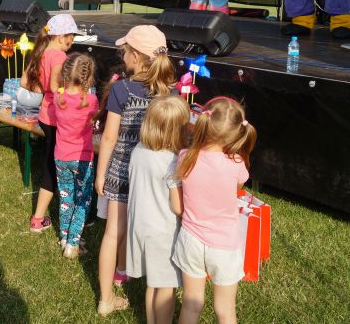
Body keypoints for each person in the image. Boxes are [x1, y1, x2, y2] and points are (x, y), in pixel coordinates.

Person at [94, 25, 176, 317]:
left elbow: (109, 138)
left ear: (137, 56)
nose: (123, 55)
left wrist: (101, 173)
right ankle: (151, 280)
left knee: (112, 234)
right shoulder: (171, 93)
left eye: (125, 51)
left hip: (122, 171)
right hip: (156, 177)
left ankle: (106, 299)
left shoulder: (122, 89)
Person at [172, 97, 257, 324]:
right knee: (225, 310)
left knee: (190, 305)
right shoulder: (237, 163)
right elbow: (237, 187)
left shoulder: (185, 157)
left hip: (190, 240)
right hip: (224, 246)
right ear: (236, 133)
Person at [126, 94, 190, 324]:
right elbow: (178, 207)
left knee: (153, 284)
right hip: (162, 232)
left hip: (140, 226)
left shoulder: (138, 150)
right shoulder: (172, 162)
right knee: (166, 287)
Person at [21, 13, 78, 233]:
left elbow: (25, 82)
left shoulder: (41, 51)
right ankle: (44, 217)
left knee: (51, 164)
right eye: (71, 36)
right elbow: (56, 87)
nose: (72, 41)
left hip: (45, 117)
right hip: (58, 119)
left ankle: (40, 217)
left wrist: (45, 90)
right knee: (58, 168)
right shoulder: (60, 57)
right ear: (61, 36)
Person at [52, 52, 98, 259]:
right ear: (88, 77)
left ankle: (65, 237)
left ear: (65, 74)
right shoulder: (91, 100)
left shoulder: (58, 97)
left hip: (61, 157)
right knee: (82, 200)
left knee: (66, 197)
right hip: (82, 159)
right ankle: (72, 243)